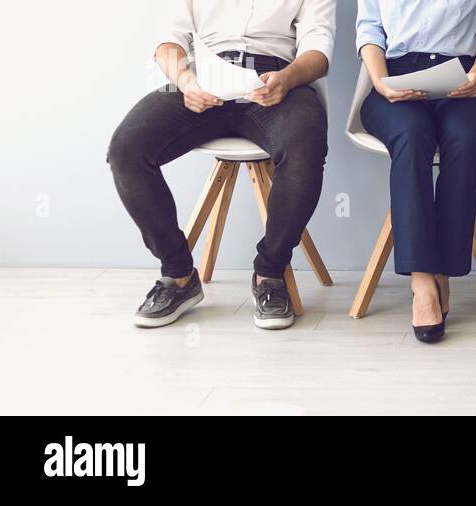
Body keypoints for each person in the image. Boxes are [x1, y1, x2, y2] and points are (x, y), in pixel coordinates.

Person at [108, 0, 336, 331]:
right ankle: (178, 275)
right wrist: (186, 81)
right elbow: (167, 42)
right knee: (126, 149)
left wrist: (286, 79)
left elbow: (319, 49)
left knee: (306, 146)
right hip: (203, 82)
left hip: (275, 83)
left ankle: (270, 274)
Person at [356, 0, 476, 345]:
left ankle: (445, 271)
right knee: (411, 135)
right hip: (395, 78)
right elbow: (369, 30)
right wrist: (381, 83)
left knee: (465, 137)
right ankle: (423, 280)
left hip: (463, 78)